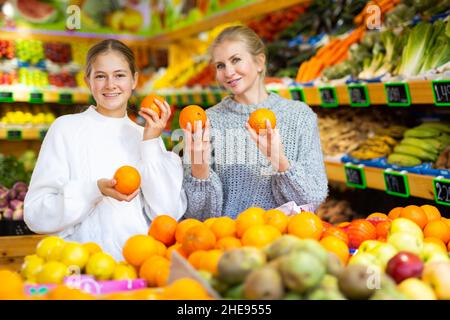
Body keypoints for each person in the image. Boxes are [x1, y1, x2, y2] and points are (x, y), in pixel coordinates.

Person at [24, 39, 187, 260]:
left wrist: (149, 145)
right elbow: (36, 214)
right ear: (88, 81)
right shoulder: (65, 129)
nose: (110, 84)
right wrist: (94, 190)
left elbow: (166, 215)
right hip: (78, 266)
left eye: (119, 75)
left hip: (136, 265)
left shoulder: (146, 136)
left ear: (134, 80)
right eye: (100, 76)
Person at [182, 26, 328, 219]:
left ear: (259, 62)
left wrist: (279, 161)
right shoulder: (206, 123)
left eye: (236, 60)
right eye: (220, 65)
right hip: (229, 242)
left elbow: (313, 197)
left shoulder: (300, 116)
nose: (228, 72)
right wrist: (199, 168)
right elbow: (195, 215)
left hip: (284, 240)